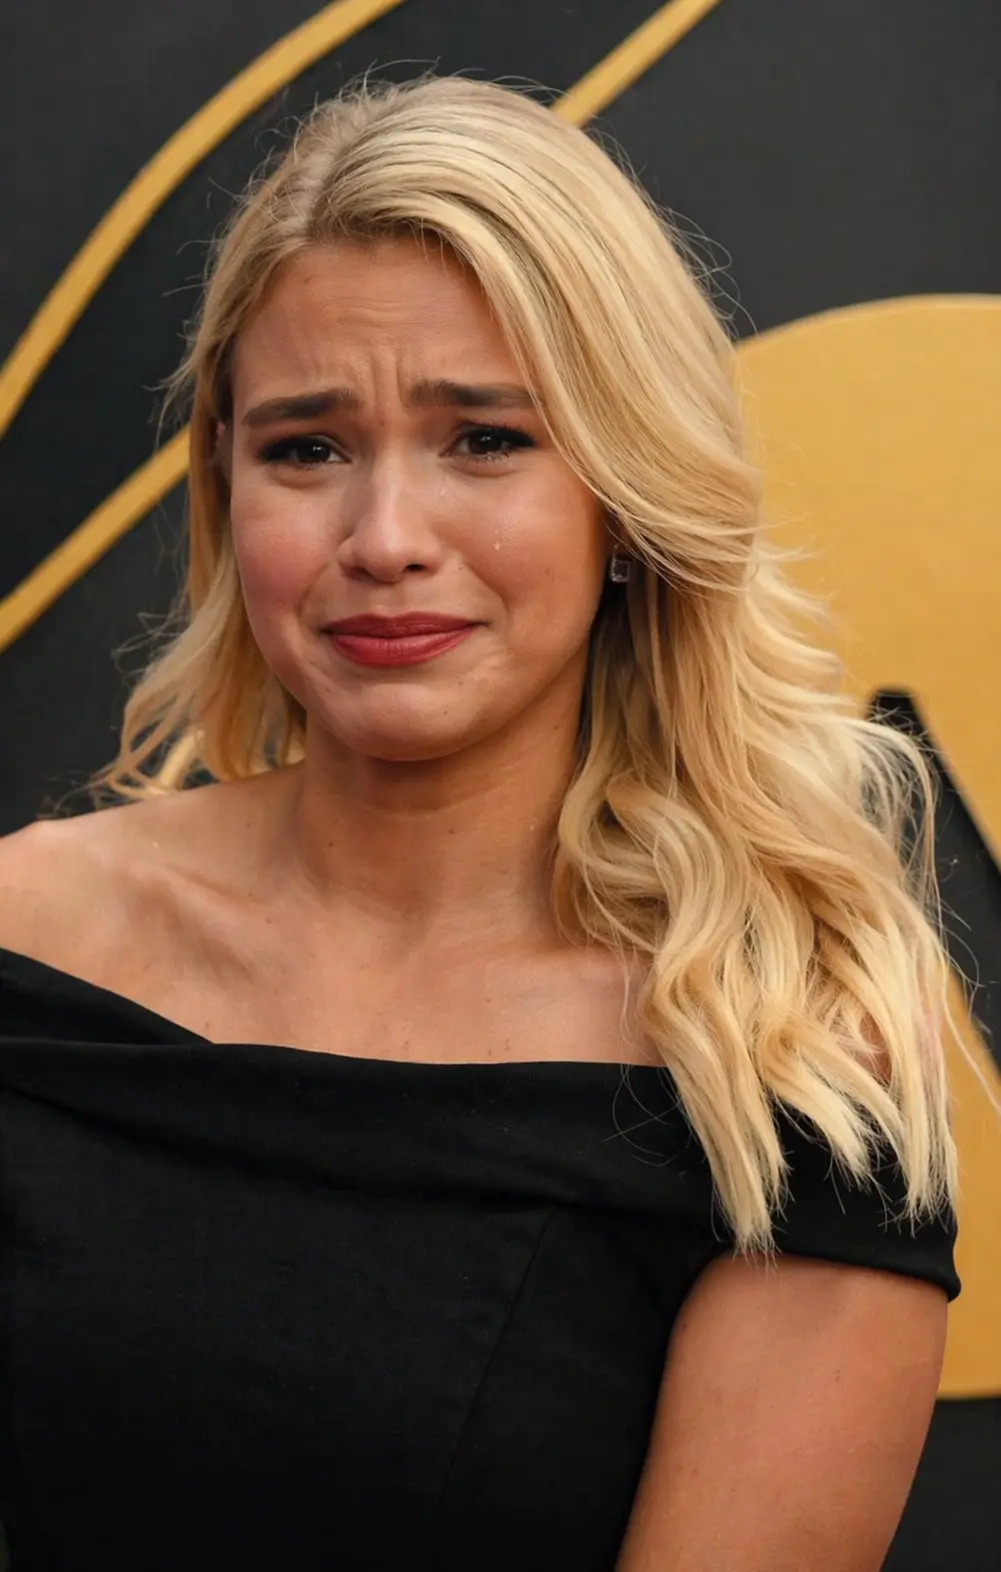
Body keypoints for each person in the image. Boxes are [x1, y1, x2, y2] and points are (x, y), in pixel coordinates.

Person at [0, 72, 962, 1571]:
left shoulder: (782, 1063)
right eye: (308, 448)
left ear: (626, 498)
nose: (386, 539)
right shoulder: (27, 932)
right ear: (224, 487)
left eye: (486, 440)